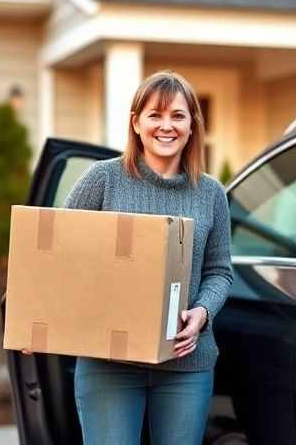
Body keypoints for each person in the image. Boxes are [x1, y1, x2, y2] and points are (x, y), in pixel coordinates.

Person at [62, 70, 233, 444]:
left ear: (192, 126)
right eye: (155, 115)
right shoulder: (103, 180)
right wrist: (35, 315)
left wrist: (202, 314)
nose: (166, 126)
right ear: (136, 123)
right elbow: (59, 253)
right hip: (108, 364)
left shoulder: (211, 194)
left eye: (178, 115)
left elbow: (220, 272)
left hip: (186, 363)